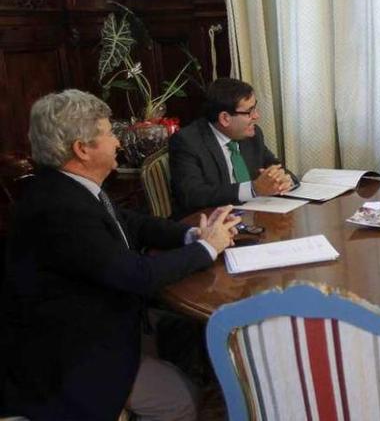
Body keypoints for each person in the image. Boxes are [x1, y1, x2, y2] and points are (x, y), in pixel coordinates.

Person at [1, 90, 240, 420]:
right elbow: (138, 276)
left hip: (103, 319)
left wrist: (192, 234)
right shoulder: (60, 209)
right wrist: (207, 248)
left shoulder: (68, 186)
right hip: (70, 355)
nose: (118, 142)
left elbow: (133, 224)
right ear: (82, 149)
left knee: (194, 336)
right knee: (181, 399)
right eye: (110, 133)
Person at [169, 77, 296, 218]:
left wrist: (284, 180)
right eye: (249, 112)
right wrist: (253, 189)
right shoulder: (188, 142)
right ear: (225, 118)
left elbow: (274, 166)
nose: (257, 116)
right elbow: (193, 195)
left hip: (252, 217)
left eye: (255, 108)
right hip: (210, 223)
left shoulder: (252, 135)